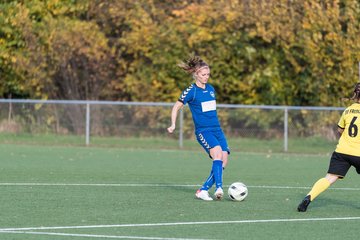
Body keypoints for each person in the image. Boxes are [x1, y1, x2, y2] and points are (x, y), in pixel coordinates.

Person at [167, 55, 230, 201]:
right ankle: (219, 187)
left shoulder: (211, 89)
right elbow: (176, 106)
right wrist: (173, 124)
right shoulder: (191, 91)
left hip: (217, 129)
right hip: (204, 131)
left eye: (208, 74)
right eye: (203, 75)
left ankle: (203, 190)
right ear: (196, 74)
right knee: (217, 155)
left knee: (224, 159)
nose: (206, 77)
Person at [297, 82, 360, 212]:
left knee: (330, 178)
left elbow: (340, 130)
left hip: (342, 151)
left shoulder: (348, 110)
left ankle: (309, 197)